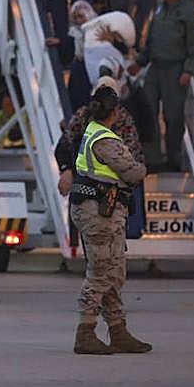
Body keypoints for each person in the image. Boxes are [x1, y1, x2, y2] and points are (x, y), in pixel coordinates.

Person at [68, 84, 151, 354]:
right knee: (101, 271)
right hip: (99, 211)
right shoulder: (104, 138)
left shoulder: (92, 132)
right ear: (114, 111)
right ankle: (86, 331)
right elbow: (131, 172)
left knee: (113, 271)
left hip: (103, 210)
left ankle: (117, 329)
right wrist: (141, 167)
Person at [131, 0, 194, 171]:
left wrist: (189, 70)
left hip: (175, 69)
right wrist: (139, 61)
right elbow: (151, 41)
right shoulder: (158, 10)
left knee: (173, 116)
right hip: (154, 67)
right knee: (148, 110)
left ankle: (173, 158)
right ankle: (152, 157)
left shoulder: (190, 11)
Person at [56, 75, 143, 198]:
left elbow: (134, 160)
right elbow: (63, 146)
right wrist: (66, 170)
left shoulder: (124, 121)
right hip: (85, 187)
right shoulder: (82, 116)